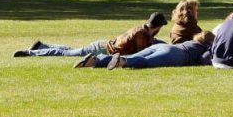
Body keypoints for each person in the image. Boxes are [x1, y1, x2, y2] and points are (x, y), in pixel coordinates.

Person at [14, 12, 167, 66]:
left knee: (71, 50)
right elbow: (140, 54)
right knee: (68, 54)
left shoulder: (143, 31)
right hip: (101, 49)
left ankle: (41, 46)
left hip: (102, 45)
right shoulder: (142, 35)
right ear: (158, 27)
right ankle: (30, 53)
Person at [108, 31, 214, 69]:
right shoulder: (207, 46)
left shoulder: (193, 42)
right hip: (176, 54)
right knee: (147, 62)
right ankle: (122, 61)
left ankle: (96, 60)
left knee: (131, 55)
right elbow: (204, 59)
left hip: (163, 46)